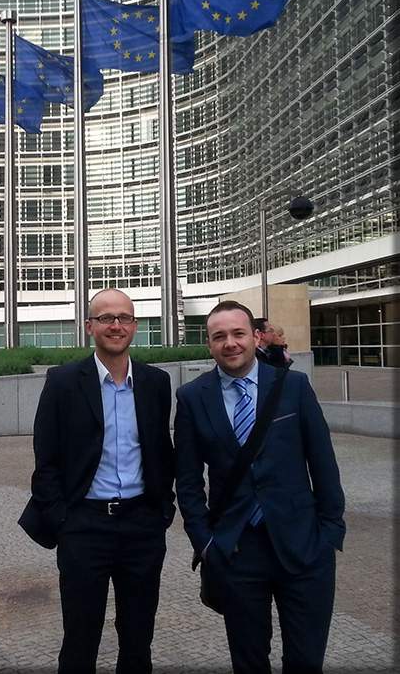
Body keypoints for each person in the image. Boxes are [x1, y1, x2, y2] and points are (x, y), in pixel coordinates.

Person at [174, 300, 345, 674]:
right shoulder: (191, 398)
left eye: (238, 333)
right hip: (236, 550)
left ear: (255, 337)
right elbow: (187, 481)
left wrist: (331, 531)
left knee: (305, 661)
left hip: (304, 545)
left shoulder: (293, 387)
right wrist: (205, 544)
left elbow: (323, 462)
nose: (230, 343)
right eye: (220, 336)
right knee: (248, 662)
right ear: (209, 344)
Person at [19, 288, 175, 674]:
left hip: (142, 526)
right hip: (84, 526)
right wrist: (62, 520)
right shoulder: (63, 382)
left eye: (124, 317)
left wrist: (162, 511)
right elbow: (46, 460)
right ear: (90, 327)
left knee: (138, 639)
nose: (116, 325)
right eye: (106, 318)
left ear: (135, 326)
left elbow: (161, 451)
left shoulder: (156, 382)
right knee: (80, 639)